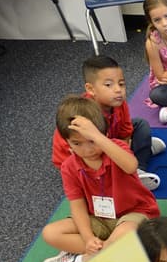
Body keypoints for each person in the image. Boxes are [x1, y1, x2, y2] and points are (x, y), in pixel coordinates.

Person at [40, 96, 160, 262]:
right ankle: (104, 253)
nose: (87, 149)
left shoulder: (116, 148)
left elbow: (130, 166)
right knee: (50, 233)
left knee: (126, 233)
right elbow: (77, 205)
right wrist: (88, 238)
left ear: (101, 134)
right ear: (68, 143)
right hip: (99, 218)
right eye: (76, 143)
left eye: (91, 141)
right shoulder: (69, 166)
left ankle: (81, 261)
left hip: (135, 213)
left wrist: (97, 136)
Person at [50, 54, 161, 190]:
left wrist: (126, 152)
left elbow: (125, 131)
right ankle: (134, 171)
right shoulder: (84, 115)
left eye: (121, 84)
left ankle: (139, 165)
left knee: (140, 124)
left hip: (107, 143)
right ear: (90, 89)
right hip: (85, 156)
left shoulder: (118, 103)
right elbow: (85, 151)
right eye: (108, 85)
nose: (118, 90)